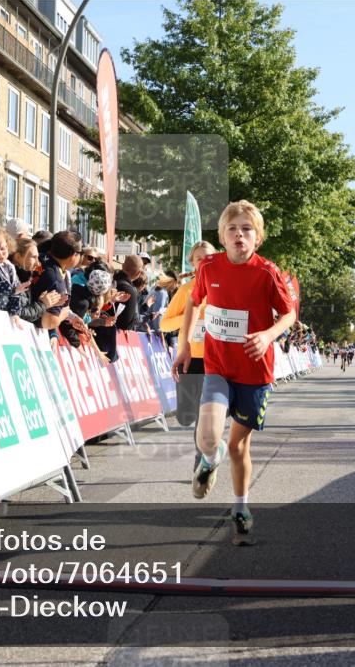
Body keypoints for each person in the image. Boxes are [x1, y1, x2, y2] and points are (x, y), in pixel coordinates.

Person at [171, 200, 297, 546]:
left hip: (255, 372)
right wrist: (184, 346)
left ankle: (241, 508)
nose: (239, 234)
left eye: (247, 229)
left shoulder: (267, 272)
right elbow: (194, 302)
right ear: (222, 237)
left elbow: (289, 315)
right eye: (232, 229)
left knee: (238, 444)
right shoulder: (209, 267)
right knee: (210, 434)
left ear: (258, 238)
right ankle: (209, 461)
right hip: (217, 366)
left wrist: (269, 334)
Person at [161, 240, 217, 429]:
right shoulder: (186, 290)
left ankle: (203, 455)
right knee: (186, 417)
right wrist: (187, 317)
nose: (204, 261)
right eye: (199, 258)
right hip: (190, 357)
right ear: (192, 262)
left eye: (209, 257)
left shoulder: (223, 288)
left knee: (207, 415)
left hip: (216, 359)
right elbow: (164, 324)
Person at [30, 230, 82, 336]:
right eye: (81, 253)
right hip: (26, 330)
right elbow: (49, 321)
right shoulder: (56, 280)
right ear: (73, 255)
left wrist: (70, 316)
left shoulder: (38, 256)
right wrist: (65, 312)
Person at [11, 237, 64, 326]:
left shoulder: (23, 277)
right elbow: (19, 313)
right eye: (34, 257)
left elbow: (25, 311)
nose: (38, 263)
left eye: (38, 258)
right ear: (18, 257)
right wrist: (42, 304)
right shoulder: (12, 278)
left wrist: (48, 304)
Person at [113, 255, 142, 331]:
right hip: (118, 336)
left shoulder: (110, 280)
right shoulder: (130, 290)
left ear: (122, 266)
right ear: (138, 273)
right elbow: (127, 323)